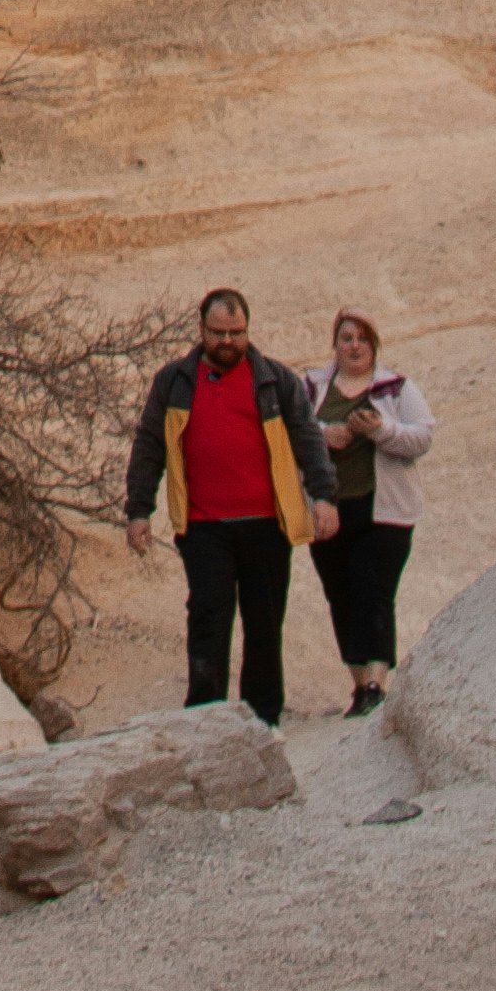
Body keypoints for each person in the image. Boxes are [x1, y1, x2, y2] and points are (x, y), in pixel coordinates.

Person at [122, 285, 339, 728]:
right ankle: (205, 723)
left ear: (248, 330)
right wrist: (138, 510)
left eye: (235, 333)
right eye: (218, 332)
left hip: (267, 525)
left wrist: (324, 498)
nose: (226, 342)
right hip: (203, 528)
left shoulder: (276, 381)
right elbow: (149, 446)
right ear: (201, 330)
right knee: (208, 624)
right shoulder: (174, 382)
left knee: (264, 627)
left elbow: (308, 439)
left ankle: (263, 723)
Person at [307, 309, 431, 714]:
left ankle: (377, 684)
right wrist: (327, 436)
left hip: (385, 512)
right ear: (335, 344)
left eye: (362, 338)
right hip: (328, 509)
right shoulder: (313, 387)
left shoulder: (395, 389)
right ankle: (359, 686)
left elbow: (422, 436)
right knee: (340, 594)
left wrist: (379, 430)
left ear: (374, 344)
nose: (355, 346)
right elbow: (292, 435)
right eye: (347, 338)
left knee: (373, 591)